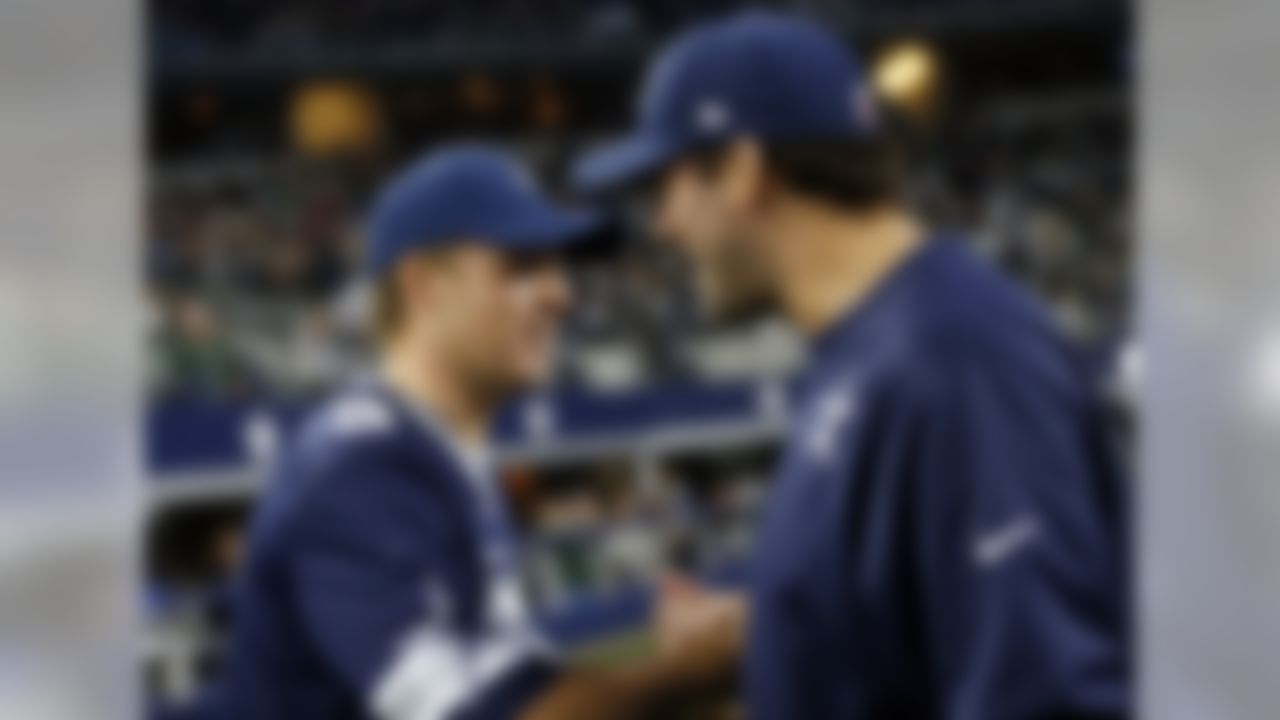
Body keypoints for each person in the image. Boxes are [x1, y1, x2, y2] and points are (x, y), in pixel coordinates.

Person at [575, 12, 1129, 719]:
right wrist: (777, 627)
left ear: (745, 172)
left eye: (666, 185)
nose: (660, 225)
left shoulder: (958, 362)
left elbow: (1047, 697)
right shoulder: (874, 347)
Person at [207, 146, 734, 720]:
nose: (562, 294)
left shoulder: (438, 453)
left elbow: (516, 684)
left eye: (559, 268)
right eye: (522, 266)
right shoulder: (361, 474)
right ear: (423, 287)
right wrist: (698, 670)